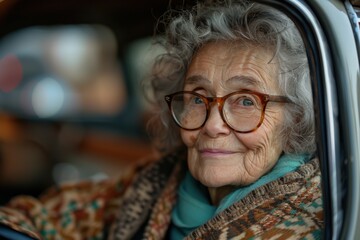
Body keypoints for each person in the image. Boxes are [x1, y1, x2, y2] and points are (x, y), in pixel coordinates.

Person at [0, 0, 323, 239]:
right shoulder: (157, 181)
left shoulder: (318, 220)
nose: (212, 124)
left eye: (246, 101)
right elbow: (37, 217)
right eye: (198, 98)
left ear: (296, 120)